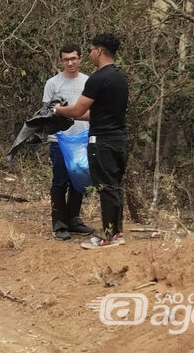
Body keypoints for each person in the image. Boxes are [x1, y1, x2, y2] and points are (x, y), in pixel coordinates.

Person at [54, 33, 128, 249]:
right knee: (114, 186)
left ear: (99, 50)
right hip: (119, 139)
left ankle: (109, 236)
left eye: (90, 50)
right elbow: (97, 114)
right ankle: (116, 232)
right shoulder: (120, 78)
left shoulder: (98, 78)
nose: (90, 55)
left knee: (105, 187)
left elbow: (78, 110)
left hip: (102, 141)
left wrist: (59, 110)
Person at [43, 44, 94, 240]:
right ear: (61, 60)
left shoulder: (88, 82)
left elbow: (94, 110)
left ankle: (73, 219)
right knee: (60, 180)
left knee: (78, 179)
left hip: (82, 138)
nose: (70, 62)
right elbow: (47, 113)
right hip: (60, 139)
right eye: (66, 59)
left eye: (73, 58)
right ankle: (59, 223)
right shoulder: (53, 83)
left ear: (80, 58)